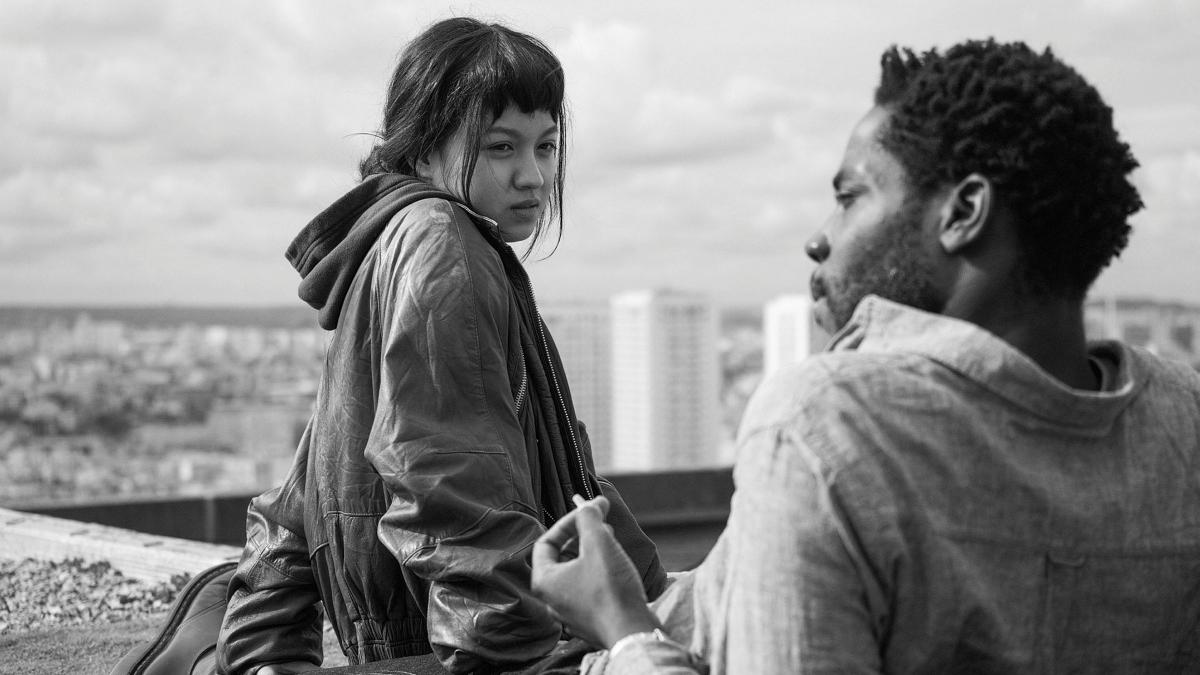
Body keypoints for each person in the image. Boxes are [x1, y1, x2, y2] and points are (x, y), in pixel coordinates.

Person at [531, 39, 1200, 674]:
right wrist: (645, 591)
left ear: (963, 211)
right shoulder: (1182, 418)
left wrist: (624, 630)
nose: (819, 239)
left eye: (851, 196)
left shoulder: (828, 426)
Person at [215, 17, 667, 675]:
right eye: (500, 147)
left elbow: (305, 489)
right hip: (488, 650)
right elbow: (451, 486)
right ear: (423, 151)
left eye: (546, 147)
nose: (533, 176)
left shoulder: (403, 243)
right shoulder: (444, 246)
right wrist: (514, 658)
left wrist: (260, 652)